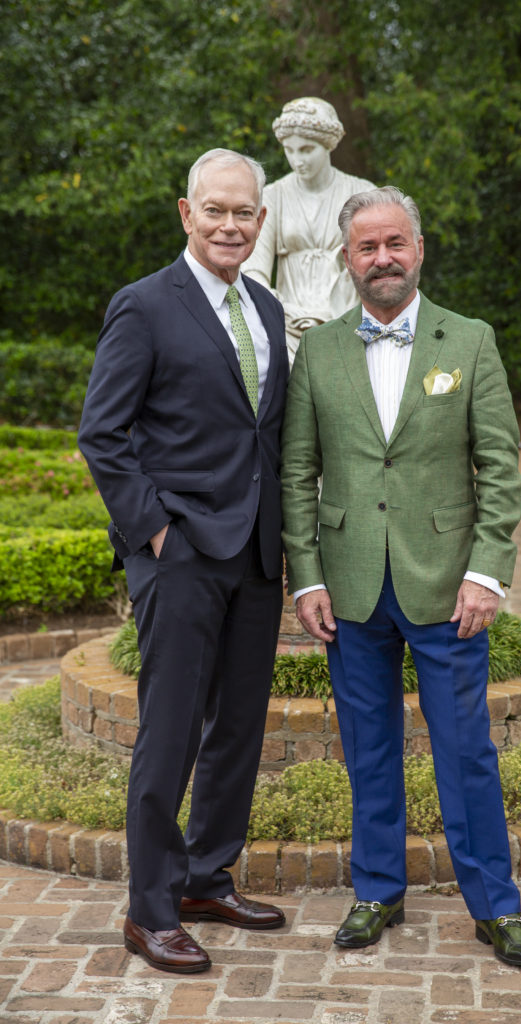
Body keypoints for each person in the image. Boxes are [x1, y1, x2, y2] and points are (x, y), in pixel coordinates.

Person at [281, 186, 521, 969]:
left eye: (394, 243)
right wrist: (305, 577)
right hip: (350, 585)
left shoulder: (467, 340)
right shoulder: (319, 351)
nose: (382, 258)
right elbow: (298, 470)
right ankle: (376, 891)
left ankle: (495, 907)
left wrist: (487, 572)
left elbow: (498, 465)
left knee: (465, 751)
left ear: (418, 249)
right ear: (347, 259)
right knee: (367, 748)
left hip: (444, 584)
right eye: (366, 247)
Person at [78, 149, 289, 974]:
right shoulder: (143, 306)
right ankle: (151, 907)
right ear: (186, 213)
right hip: (180, 555)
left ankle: (208, 876)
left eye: (244, 213)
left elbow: (262, 434)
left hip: (255, 555)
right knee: (168, 733)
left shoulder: (266, 310)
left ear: (259, 222)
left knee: (237, 726)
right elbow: (102, 434)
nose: (230, 224)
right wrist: (155, 535)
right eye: (216, 210)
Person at [242, 97, 374, 367]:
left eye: (306, 149)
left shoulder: (362, 194)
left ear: (327, 145)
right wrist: (279, 308)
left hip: (348, 321)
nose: (296, 160)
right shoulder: (272, 197)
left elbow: (379, 264)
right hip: (287, 325)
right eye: (289, 150)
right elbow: (253, 271)